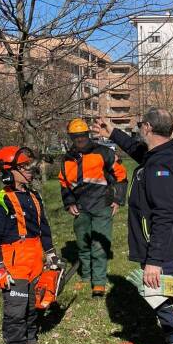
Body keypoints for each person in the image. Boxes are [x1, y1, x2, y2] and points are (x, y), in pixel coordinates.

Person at [92, 108, 173, 344]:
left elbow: (164, 215)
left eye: (140, 126)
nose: (139, 130)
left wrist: (154, 261)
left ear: (148, 127)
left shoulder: (160, 166)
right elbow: (140, 152)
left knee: (165, 303)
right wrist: (113, 133)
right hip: (169, 246)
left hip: (164, 251)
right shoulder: (162, 154)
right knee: (168, 302)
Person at [0, 147, 57, 344]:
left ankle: (31, 343)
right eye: (23, 167)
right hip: (13, 265)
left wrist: (51, 253)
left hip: (35, 260)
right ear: (7, 172)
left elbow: (43, 228)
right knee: (16, 310)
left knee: (32, 307)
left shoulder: (33, 197)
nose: (29, 170)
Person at [59, 118, 127, 297]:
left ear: (87, 135)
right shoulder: (67, 159)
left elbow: (121, 175)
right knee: (83, 244)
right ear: (71, 137)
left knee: (98, 244)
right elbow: (64, 184)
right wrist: (69, 203)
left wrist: (118, 199)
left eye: (82, 136)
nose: (80, 139)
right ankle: (86, 277)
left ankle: (99, 282)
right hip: (80, 207)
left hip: (101, 204)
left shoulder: (103, 152)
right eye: (76, 137)